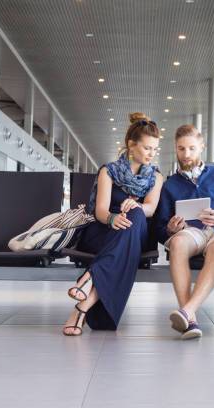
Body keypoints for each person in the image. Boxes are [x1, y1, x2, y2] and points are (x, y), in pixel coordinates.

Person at [63, 112, 163, 336]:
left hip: (135, 233)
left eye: (154, 149)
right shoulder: (108, 171)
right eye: (147, 148)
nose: (151, 154)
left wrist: (135, 206)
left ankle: (88, 285)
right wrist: (112, 218)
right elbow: (100, 211)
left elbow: (150, 208)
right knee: (125, 244)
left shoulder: (156, 177)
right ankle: (83, 306)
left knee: (137, 216)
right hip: (102, 231)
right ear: (131, 145)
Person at [155, 124, 214, 339]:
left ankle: (187, 313)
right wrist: (170, 229)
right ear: (176, 149)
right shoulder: (170, 185)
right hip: (192, 232)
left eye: (191, 148)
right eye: (181, 149)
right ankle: (190, 319)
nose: (186, 154)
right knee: (178, 243)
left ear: (201, 147)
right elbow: (159, 228)